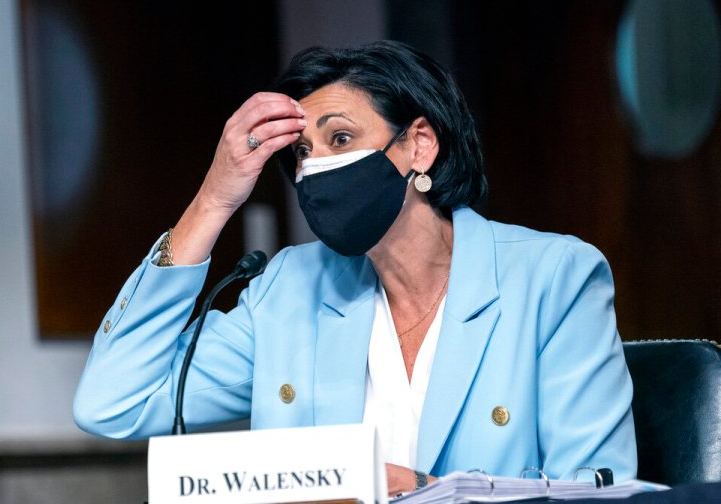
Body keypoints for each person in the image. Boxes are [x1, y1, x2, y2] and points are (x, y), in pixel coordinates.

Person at [73, 40, 637, 495]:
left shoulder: (555, 278)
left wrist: (429, 491)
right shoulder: (288, 290)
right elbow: (112, 403)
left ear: (419, 145)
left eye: (339, 138)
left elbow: (599, 488)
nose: (314, 167)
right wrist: (214, 199)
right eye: (302, 153)